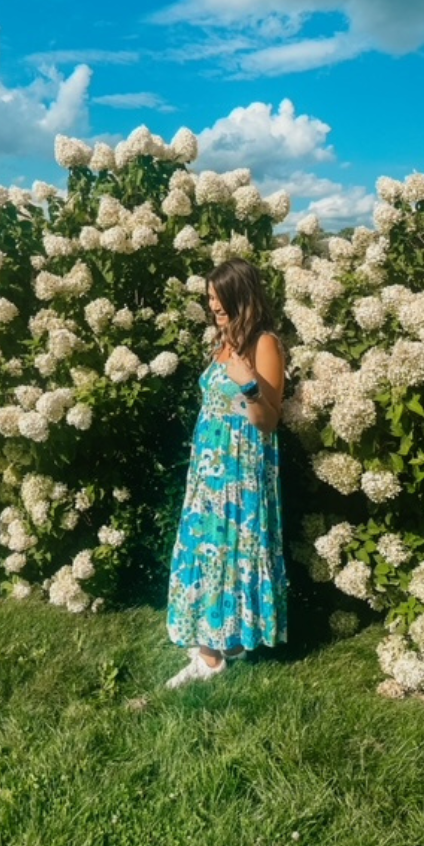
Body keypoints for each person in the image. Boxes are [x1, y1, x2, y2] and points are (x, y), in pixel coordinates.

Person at [164, 258, 288, 689]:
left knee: (225, 548)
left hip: (239, 469)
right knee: (206, 547)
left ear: (241, 296)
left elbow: (268, 421)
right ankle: (222, 637)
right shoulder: (224, 341)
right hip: (210, 467)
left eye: (218, 298)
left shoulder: (264, 344)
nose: (212, 305)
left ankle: (211, 659)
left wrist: (248, 382)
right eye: (210, 299)